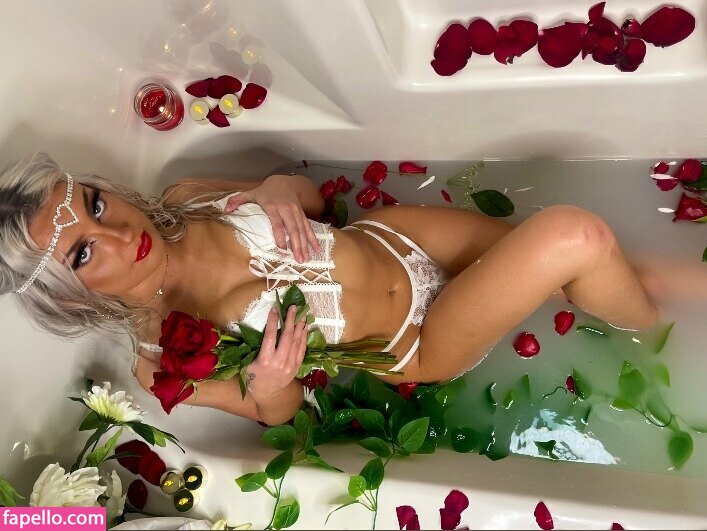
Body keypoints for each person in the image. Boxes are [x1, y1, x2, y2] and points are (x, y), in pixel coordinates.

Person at [2, 153, 658, 425]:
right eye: (83, 252)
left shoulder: (185, 198)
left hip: (398, 238)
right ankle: (654, 331)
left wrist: (275, 190)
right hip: (417, 338)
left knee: (585, 261)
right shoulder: (161, 365)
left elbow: (311, 199)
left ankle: (667, 314)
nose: (119, 233)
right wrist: (267, 380)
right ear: (70, 297)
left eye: (94, 203)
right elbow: (277, 412)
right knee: (574, 238)